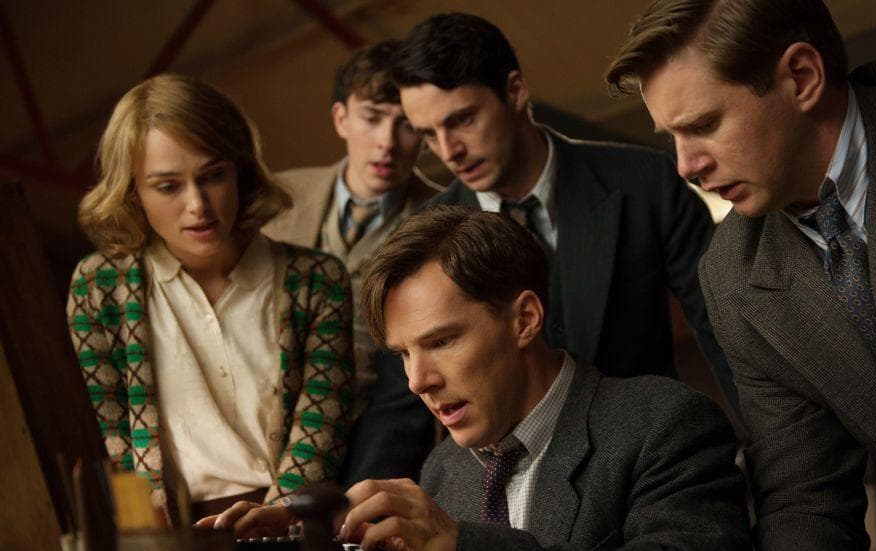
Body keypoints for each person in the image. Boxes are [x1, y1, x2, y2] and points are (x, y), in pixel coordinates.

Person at [606, 1, 876, 548]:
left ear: (802, 77)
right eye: (672, 138)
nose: (686, 167)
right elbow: (806, 497)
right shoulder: (732, 277)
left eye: (705, 125)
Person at [203, 205, 750, 549]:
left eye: (441, 341)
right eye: (403, 354)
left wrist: (461, 544)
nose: (418, 380)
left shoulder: (664, 426)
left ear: (524, 319)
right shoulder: (442, 471)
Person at [391, 12, 739, 412]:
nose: (448, 151)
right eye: (429, 134)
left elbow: (729, 334)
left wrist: (771, 445)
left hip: (647, 435)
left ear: (515, 91)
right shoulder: (424, 238)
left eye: (462, 120)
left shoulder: (644, 182)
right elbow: (404, 401)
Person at [67, 73, 355, 521]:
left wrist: (276, 519)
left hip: (292, 525)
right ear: (132, 191)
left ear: (240, 171)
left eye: (213, 176)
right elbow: (111, 436)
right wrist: (150, 537)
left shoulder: (317, 281)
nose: (198, 205)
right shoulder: (98, 287)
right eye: (168, 186)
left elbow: (321, 431)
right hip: (166, 532)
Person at [263, 39, 436, 487]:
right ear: (341, 118)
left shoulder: (445, 218)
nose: (386, 143)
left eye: (406, 125)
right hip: (273, 430)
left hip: (386, 440)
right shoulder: (277, 201)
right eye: (372, 118)